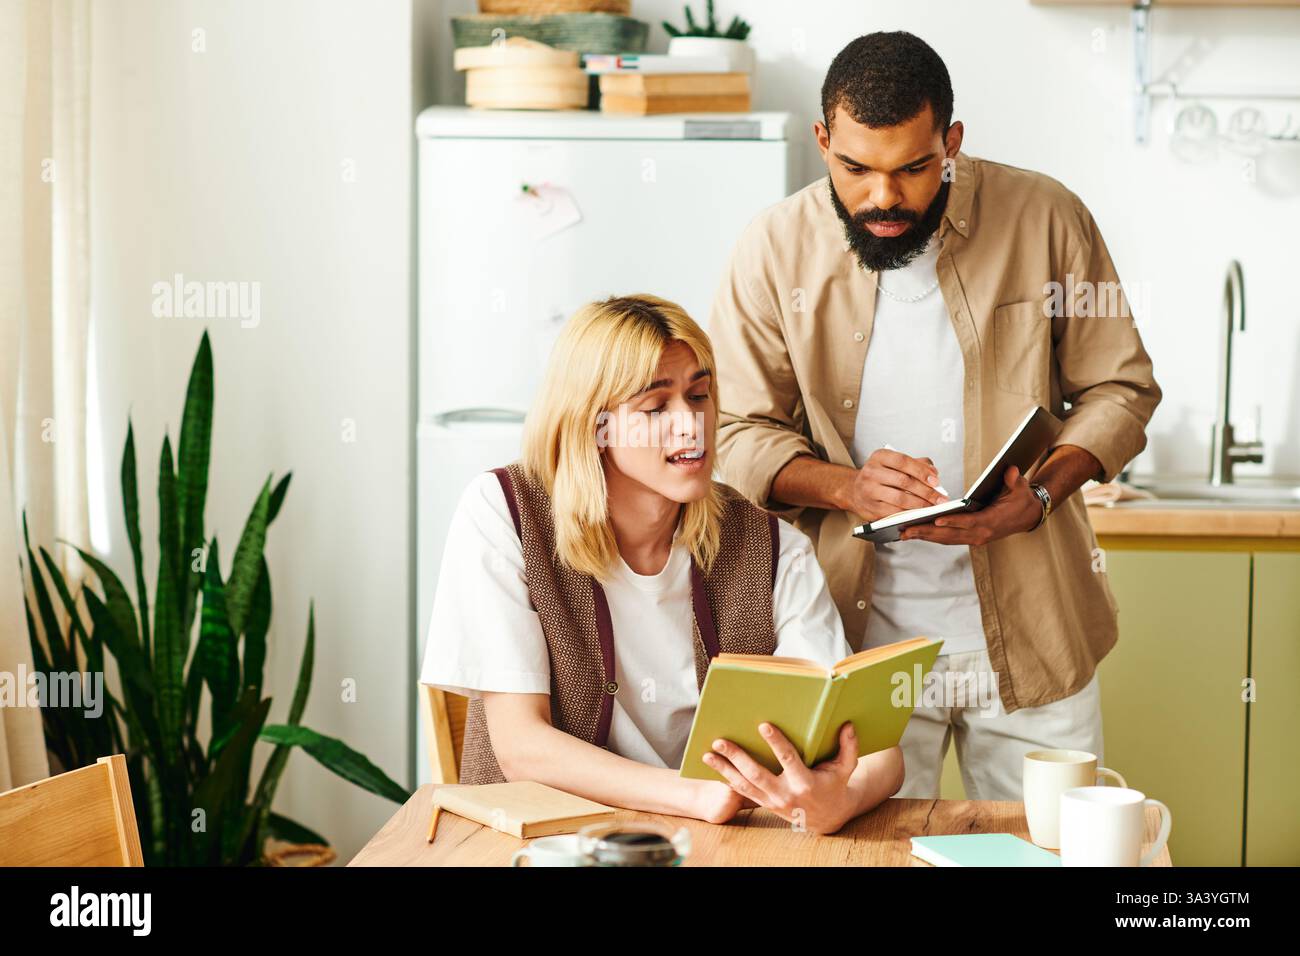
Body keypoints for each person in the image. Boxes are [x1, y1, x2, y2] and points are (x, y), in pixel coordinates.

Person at [709, 32, 1162, 801]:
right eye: (855, 169)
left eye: (913, 168)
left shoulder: (1046, 216)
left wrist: (1041, 494)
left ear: (950, 142)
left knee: (1050, 854)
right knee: (869, 858)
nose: (884, 197)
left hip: (1033, 635)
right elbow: (734, 430)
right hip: (853, 651)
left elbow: (1120, 388)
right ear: (822, 141)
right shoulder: (772, 248)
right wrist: (847, 488)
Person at [419, 294, 903, 833]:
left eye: (699, 396)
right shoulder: (504, 512)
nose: (690, 425)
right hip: (544, 845)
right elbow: (520, 745)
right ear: (592, 425)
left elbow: (878, 752)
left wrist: (842, 798)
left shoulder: (772, 546)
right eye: (655, 408)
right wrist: (693, 795)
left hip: (720, 844)